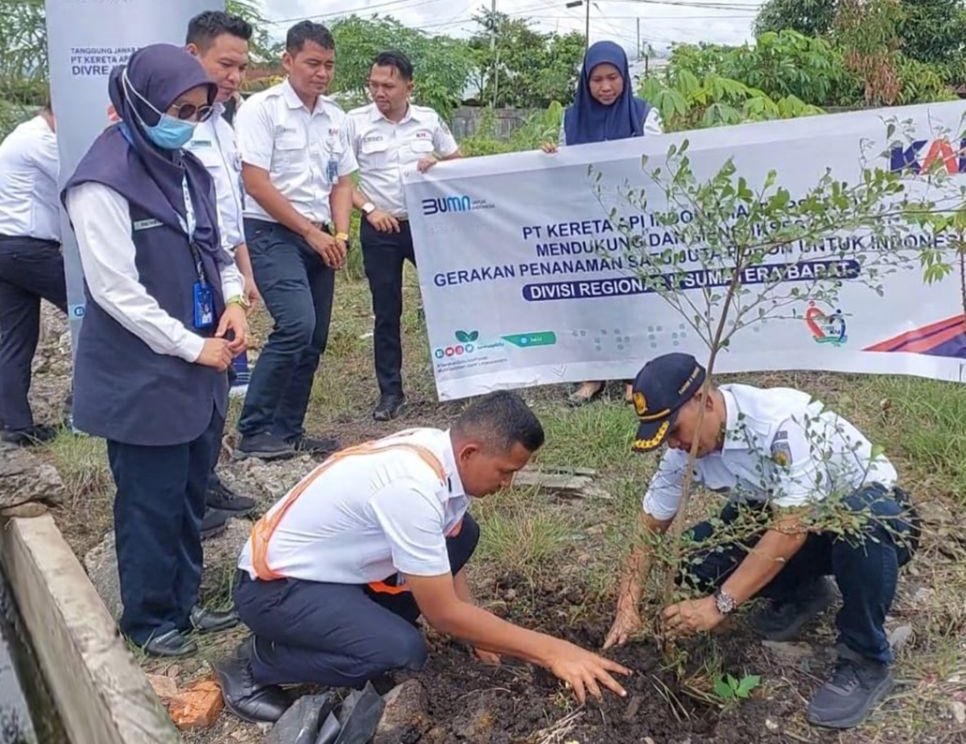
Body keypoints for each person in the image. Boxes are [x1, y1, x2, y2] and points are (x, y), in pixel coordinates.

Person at [216, 391, 630, 723]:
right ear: (470, 452)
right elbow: (443, 614)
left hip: (334, 575)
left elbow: (451, 556)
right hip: (275, 591)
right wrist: (556, 651)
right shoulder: (412, 487)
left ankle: (349, 630)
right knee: (400, 651)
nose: (508, 484)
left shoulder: (443, 455)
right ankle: (255, 663)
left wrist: (479, 631)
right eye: (505, 471)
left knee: (463, 534)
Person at [603, 353, 918, 730]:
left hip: (868, 518)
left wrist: (718, 605)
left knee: (865, 524)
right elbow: (649, 532)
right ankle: (804, 593)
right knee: (690, 556)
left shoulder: (780, 424)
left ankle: (865, 659)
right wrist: (627, 606)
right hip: (793, 525)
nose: (673, 444)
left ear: (704, 400)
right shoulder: (682, 453)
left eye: (674, 430)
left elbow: (791, 528)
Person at [62, 44, 250, 657]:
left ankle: (185, 602)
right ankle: (148, 620)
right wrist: (190, 347)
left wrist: (233, 303)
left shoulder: (188, 166)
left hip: (199, 361)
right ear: (139, 102)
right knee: (150, 500)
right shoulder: (102, 181)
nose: (190, 122)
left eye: (200, 110)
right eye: (178, 108)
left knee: (191, 491)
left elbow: (214, 248)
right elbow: (116, 291)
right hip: (144, 371)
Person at [233, 21, 356, 460]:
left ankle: (287, 430)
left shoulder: (336, 118)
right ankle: (252, 431)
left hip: (320, 235)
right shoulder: (261, 109)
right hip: (271, 231)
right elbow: (256, 182)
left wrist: (339, 234)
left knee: (316, 336)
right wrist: (309, 232)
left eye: (328, 65)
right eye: (312, 63)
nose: (321, 73)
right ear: (288, 61)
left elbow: (342, 183)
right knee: (295, 325)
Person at [541, 40, 662, 407]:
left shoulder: (644, 116)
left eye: (613, 78)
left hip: (631, 225)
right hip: (586, 226)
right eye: (597, 80)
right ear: (586, 81)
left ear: (625, 77)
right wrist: (551, 158)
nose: (606, 87)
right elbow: (562, 173)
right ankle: (592, 374)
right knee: (588, 300)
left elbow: (658, 166)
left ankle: (633, 374)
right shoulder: (571, 120)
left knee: (631, 299)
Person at [345, 50, 462, 422]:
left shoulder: (428, 120)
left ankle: (460, 379)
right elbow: (342, 182)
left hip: (427, 226)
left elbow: (459, 162)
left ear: (408, 86)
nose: (379, 92)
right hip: (380, 226)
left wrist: (438, 164)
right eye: (374, 85)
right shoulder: (354, 123)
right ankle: (390, 393)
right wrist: (369, 210)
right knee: (386, 310)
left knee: (447, 300)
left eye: (388, 85)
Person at [184, 10, 260, 529]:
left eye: (240, 67)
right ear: (193, 56)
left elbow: (227, 212)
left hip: (223, 271)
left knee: (220, 383)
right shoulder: (174, 127)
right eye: (225, 64)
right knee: (192, 381)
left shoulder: (224, 125)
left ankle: (205, 482)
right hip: (186, 274)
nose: (233, 77)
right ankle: (190, 493)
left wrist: (243, 273)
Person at [0, 102, 67, 446]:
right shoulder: (40, 140)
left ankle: (15, 425)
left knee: (14, 338)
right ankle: (83, 406)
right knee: (98, 309)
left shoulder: (24, 135)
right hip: (28, 249)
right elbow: (76, 175)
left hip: (9, 248)